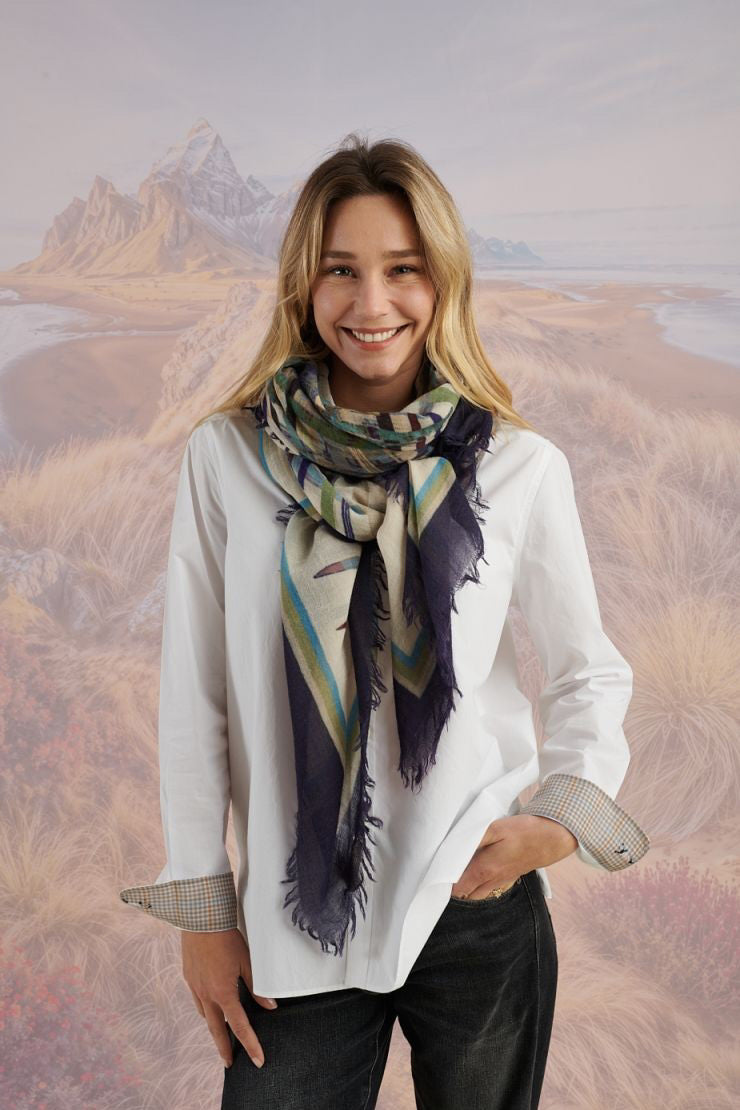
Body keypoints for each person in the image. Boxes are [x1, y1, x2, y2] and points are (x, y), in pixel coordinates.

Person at [119, 133, 650, 1109]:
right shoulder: (224, 459)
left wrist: (558, 824)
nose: (372, 305)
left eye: (402, 270)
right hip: (296, 911)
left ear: (441, 281)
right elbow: (194, 693)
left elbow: (588, 670)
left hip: (475, 905)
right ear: (302, 288)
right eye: (341, 272)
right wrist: (203, 908)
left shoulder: (515, 466)